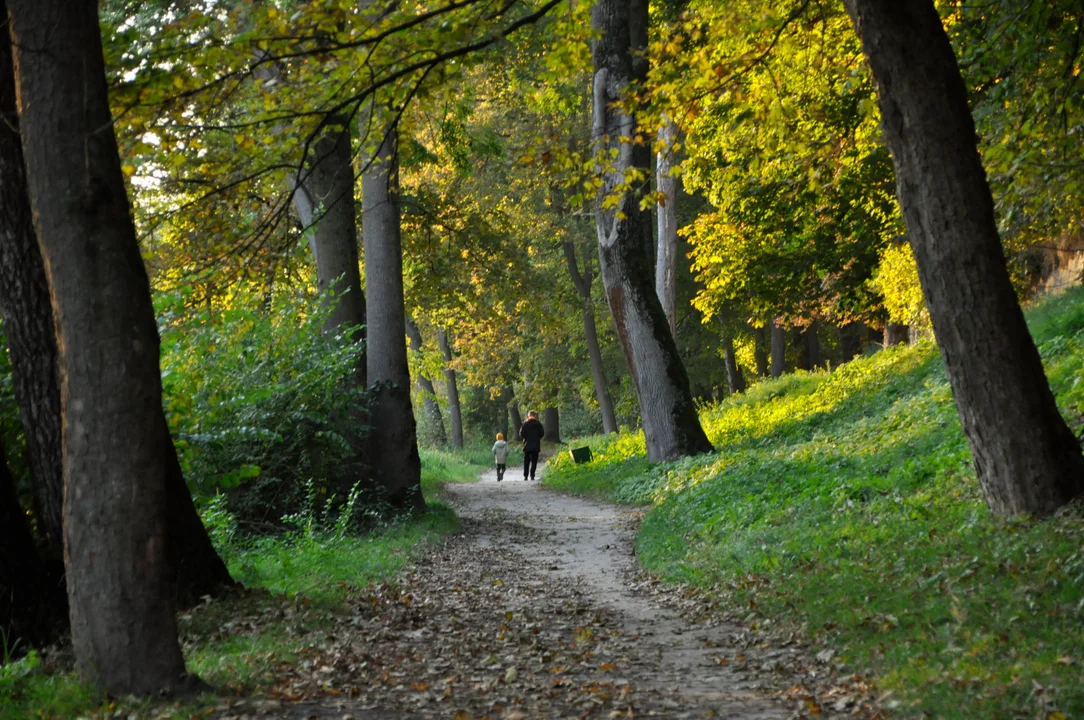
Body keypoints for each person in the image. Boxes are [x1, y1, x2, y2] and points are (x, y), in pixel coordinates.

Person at [519, 410, 545, 481]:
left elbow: (521, 434)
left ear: (529, 415)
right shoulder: (538, 424)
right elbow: (542, 434)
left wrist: (526, 437)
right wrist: (537, 437)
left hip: (527, 445)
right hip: (536, 445)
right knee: (534, 461)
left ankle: (525, 476)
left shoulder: (525, 424)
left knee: (526, 461)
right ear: (535, 415)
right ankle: (532, 475)